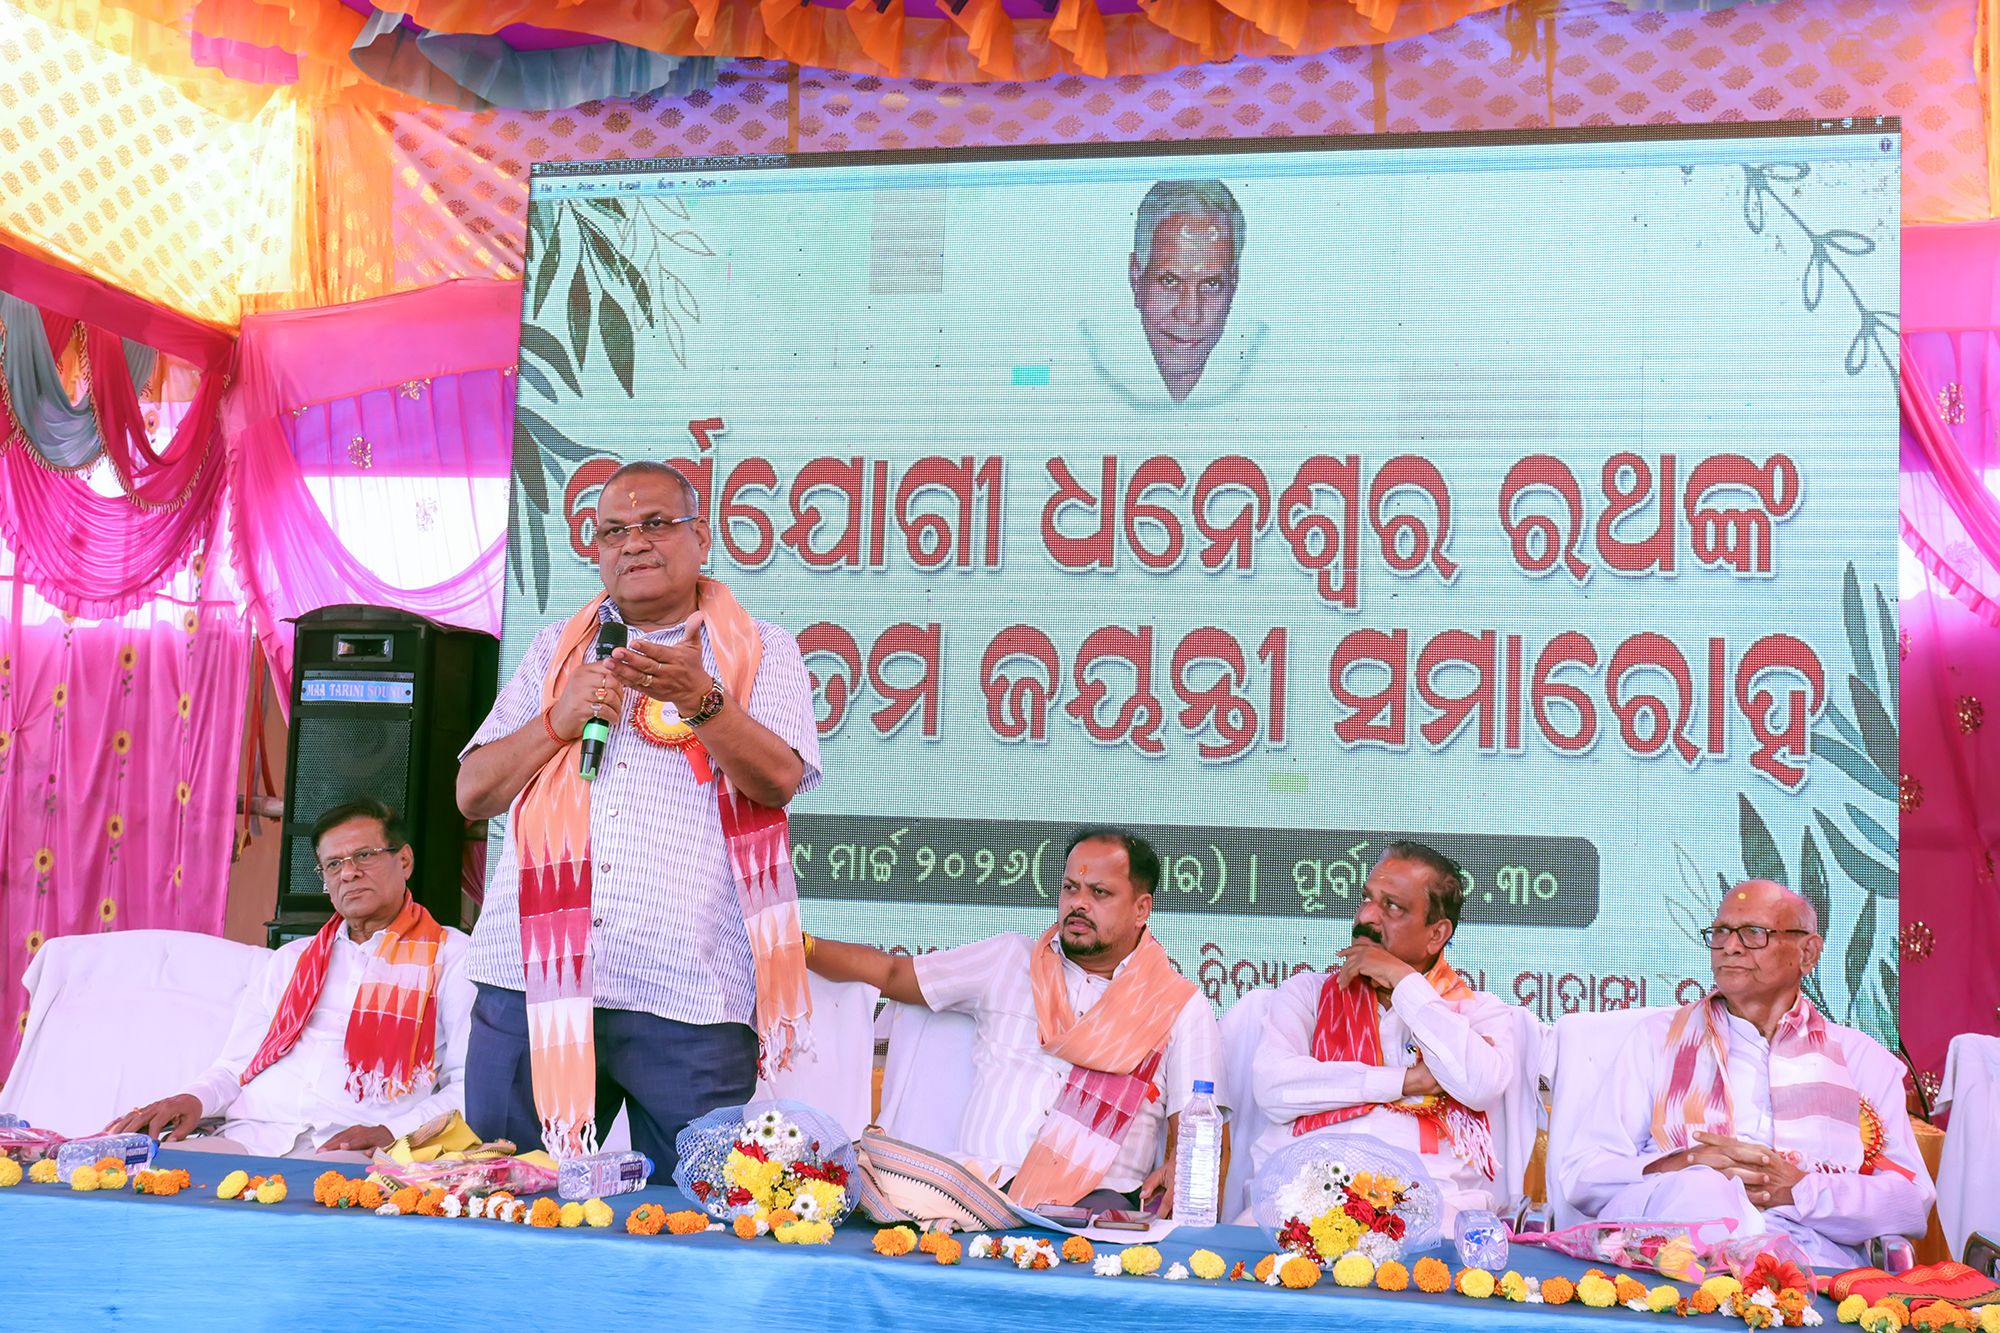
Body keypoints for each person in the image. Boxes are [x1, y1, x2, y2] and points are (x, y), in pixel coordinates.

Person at [455, 460, 820, 1178]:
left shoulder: (763, 649)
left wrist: (703, 700)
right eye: (613, 530)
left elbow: (778, 780)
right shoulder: (554, 650)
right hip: (532, 979)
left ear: (700, 537)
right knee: (511, 1201)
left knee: (694, 1211)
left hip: (685, 984)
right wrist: (556, 721)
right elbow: (473, 793)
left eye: (656, 523)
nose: (634, 542)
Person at [804, 826, 1226, 1216]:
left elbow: (1200, 1130)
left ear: (1141, 909)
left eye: (1099, 892)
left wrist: (1180, 1166)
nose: (1078, 903)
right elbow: (892, 973)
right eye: (1070, 888)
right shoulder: (1007, 960)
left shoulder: (1176, 1005)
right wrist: (795, 946)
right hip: (973, 1193)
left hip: (1096, 1212)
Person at [1558, 880, 1933, 1268]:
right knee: (1702, 1187)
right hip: (1675, 1260)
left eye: (1754, 933)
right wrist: (1682, 1164)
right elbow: (1583, 1176)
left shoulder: (1861, 1059)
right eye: (1721, 932)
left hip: (1811, 1267)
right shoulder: (1657, 1040)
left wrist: (1799, 1190)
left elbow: (1910, 1202)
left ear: (1807, 953)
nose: (1730, 947)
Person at [112, 798, 472, 1160]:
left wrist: (391, 1133)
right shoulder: (293, 960)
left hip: (353, 1147)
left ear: (404, 860)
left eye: (364, 855)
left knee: (324, 1190)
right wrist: (192, 1098)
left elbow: (468, 1085)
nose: (348, 873)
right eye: (333, 864)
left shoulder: (452, 957)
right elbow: (237, 1066)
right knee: (144, 1169)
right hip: (252, 1136)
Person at [1250, 841, 1518, 1228]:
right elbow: (1273, 1088)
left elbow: (1478, 1085)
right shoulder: (1307, 994)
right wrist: (1405, 1081)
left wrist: (1403, 980)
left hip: (1425, 1213)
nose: (1366, 916)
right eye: (1367, 898)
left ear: (1436, 934)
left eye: (1393, 906)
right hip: (1297, 1203)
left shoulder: (1476, 1012)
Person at [1079, 179, 1264, 410]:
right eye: (1170, 281)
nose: (1191, 315)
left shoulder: (1267, 357)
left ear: (1234, 284)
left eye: (1212, 284)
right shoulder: (1080, 355)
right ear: (1136, 279)